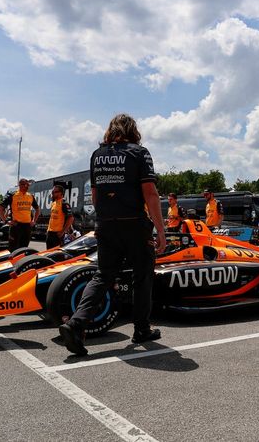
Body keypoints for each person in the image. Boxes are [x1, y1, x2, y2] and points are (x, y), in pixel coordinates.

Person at [59, 113, 166, 356]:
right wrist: (160, 230)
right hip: (135, 224)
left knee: (103, 276)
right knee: (143, 277)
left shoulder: (97, 155)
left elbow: (95, 197)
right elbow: (150, 192)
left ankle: (76, 323)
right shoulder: (139, 152)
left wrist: (105, 220)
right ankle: (141, 329)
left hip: (106, 223)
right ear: (132, 130)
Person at [0, 179, 40, 252]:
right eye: (25, 185)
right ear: (20, 185)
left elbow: (37, 209)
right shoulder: (13, 195)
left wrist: (34, 221)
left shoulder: (30, 196)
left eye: (28, 185)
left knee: (24, 249)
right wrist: (6, 221)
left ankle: (22, 262)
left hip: (27, 227)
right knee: (13, 250)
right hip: (16, 226)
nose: (27, 186)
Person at [46, 184, 74, 249]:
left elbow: (71, 218)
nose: (53, 193)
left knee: (57, 256)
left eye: (55, 192)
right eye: (52, 192)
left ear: (61, 193)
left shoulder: (64, 203)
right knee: (48, 254)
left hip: (58, 234)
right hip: (50, 233)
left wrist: (62, 232)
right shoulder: (53, 203)